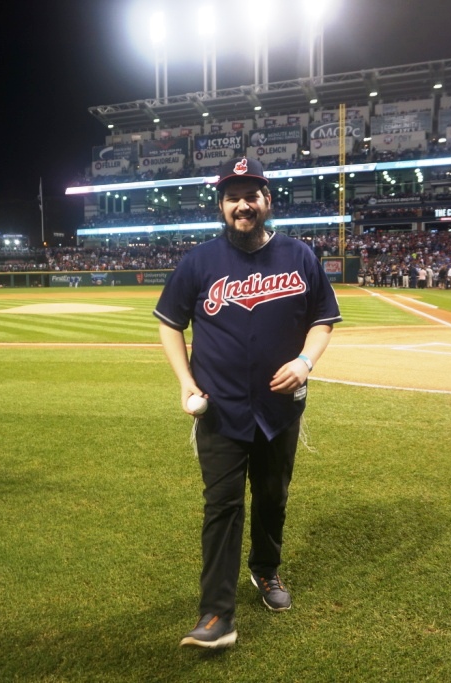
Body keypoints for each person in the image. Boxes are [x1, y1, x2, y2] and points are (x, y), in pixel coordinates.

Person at [154, 157, 342, 650]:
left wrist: (304, 361)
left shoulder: (300, 256)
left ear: (267, 201)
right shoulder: (199, 261)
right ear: (222, 206)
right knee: (222, 506)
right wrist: (184, 382)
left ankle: (266, 571)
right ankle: (216, 614)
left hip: (281, 409)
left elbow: (323, 319)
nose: (243, 204)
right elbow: (170, 323)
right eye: (233, 197)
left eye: (251, 195)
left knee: (273, 497)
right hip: (220, 407)